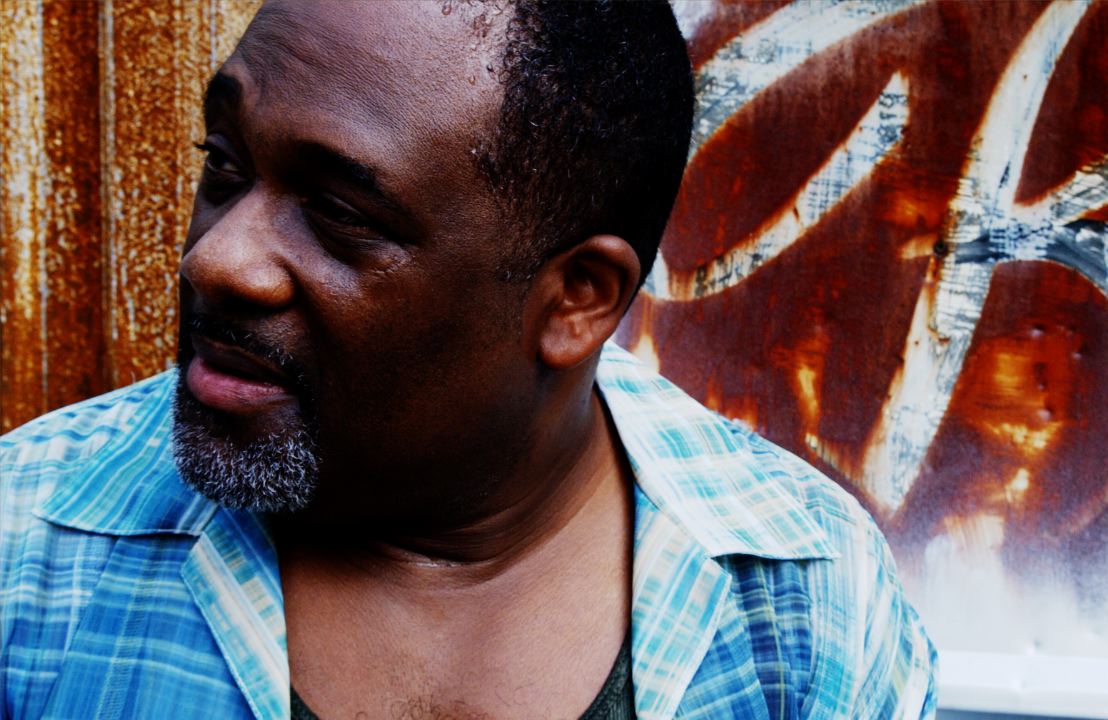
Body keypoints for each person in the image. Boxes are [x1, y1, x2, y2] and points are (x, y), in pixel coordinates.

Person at [0, 1, 936, 718]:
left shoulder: (803, 599)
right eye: (224, 163)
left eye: (341, 215)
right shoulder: (28, 552)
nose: (217, 260)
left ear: (576, 299)